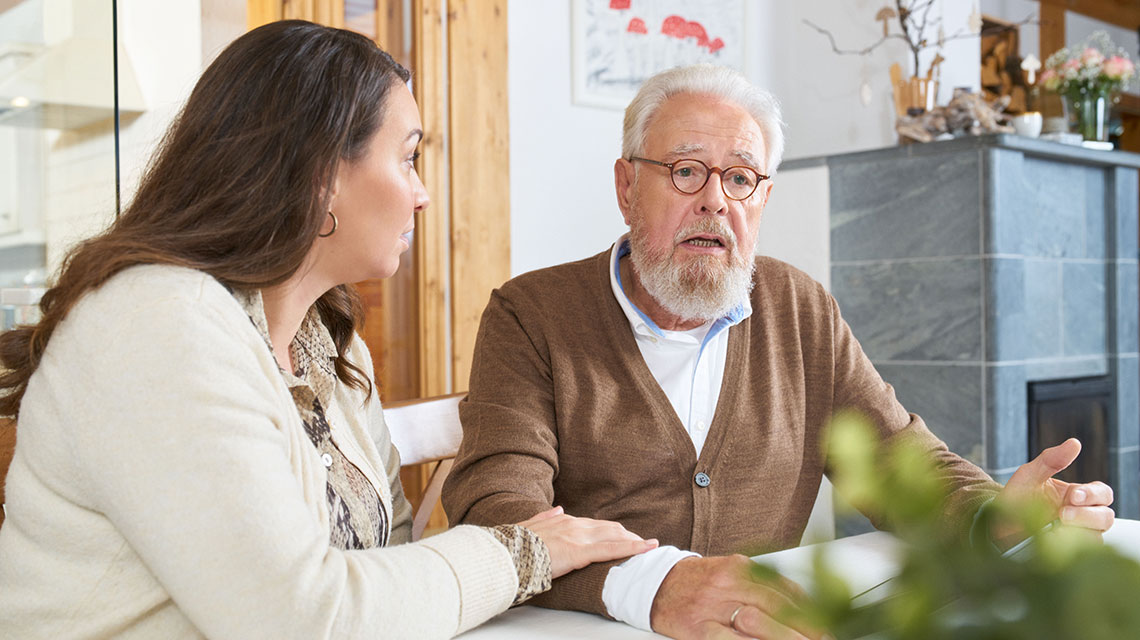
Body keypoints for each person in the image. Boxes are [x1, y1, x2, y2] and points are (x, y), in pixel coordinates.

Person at [0, 20, 657, 639]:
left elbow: (388, 560)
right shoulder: (160, 324)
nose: (422, 193)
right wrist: (522, 554)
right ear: (319, 175)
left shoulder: (330, 346)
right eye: (407, 157)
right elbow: (302, 618)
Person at [441, 64, 1116, 639]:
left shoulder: (798, 306)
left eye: (740, 179)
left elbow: (899, 461)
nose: (714, 201)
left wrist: (991, 517)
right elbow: (498, 510)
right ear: (625, 187)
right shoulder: (530, 314)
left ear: (762, 199)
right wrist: (657, 586)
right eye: (684, 172)